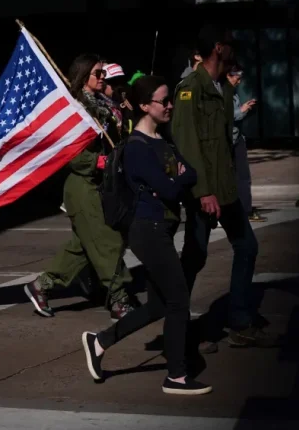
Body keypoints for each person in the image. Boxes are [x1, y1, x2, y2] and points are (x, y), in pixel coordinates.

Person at [81, 75, 212, 395]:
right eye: (163, 101)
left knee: (158, 305)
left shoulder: (162, 142)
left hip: (162, 227)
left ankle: (99, 342)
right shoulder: (137, 148)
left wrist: (176, 179)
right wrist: (175, 178)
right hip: (147, 229)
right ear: (144, 106)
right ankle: (176, 377)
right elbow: (171, 185)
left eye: (169, 100)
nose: (169, 106)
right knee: (179, 299)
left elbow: (190, 172)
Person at [171, 24, 279, 350]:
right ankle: (178, 329)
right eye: (229, 45)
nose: (233, 50)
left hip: (226, 189)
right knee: (195, 256)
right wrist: (203, 191)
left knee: (247, 247)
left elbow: (224, 141)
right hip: (204, 191)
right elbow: (186, 144)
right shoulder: (191, 88)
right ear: (218, 48)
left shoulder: (223, 88)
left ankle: (240, 322)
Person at [25, 54, 138, 321]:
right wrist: (98, 161)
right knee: (108, 240)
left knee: (85, 246)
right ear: (83, 75)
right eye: (97, 73)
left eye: (103, 74)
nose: (103, 78)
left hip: (102, 186)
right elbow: (72, 154)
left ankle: (42, 286)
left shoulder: (104, 104)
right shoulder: (76, 109)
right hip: (83, 187)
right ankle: (119, 300)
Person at [224, 64, 265, 222]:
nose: (239, 81)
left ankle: (245, 209)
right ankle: (232, 211)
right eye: (237, 78)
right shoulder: (222, 91)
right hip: (228, 139)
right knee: (232, 176)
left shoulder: (232, 92)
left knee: (243, 175)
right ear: (228, 75)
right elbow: (227, 115)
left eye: (240, 78)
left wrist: (246, 110)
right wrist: (242, 110)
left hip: (238, 137)